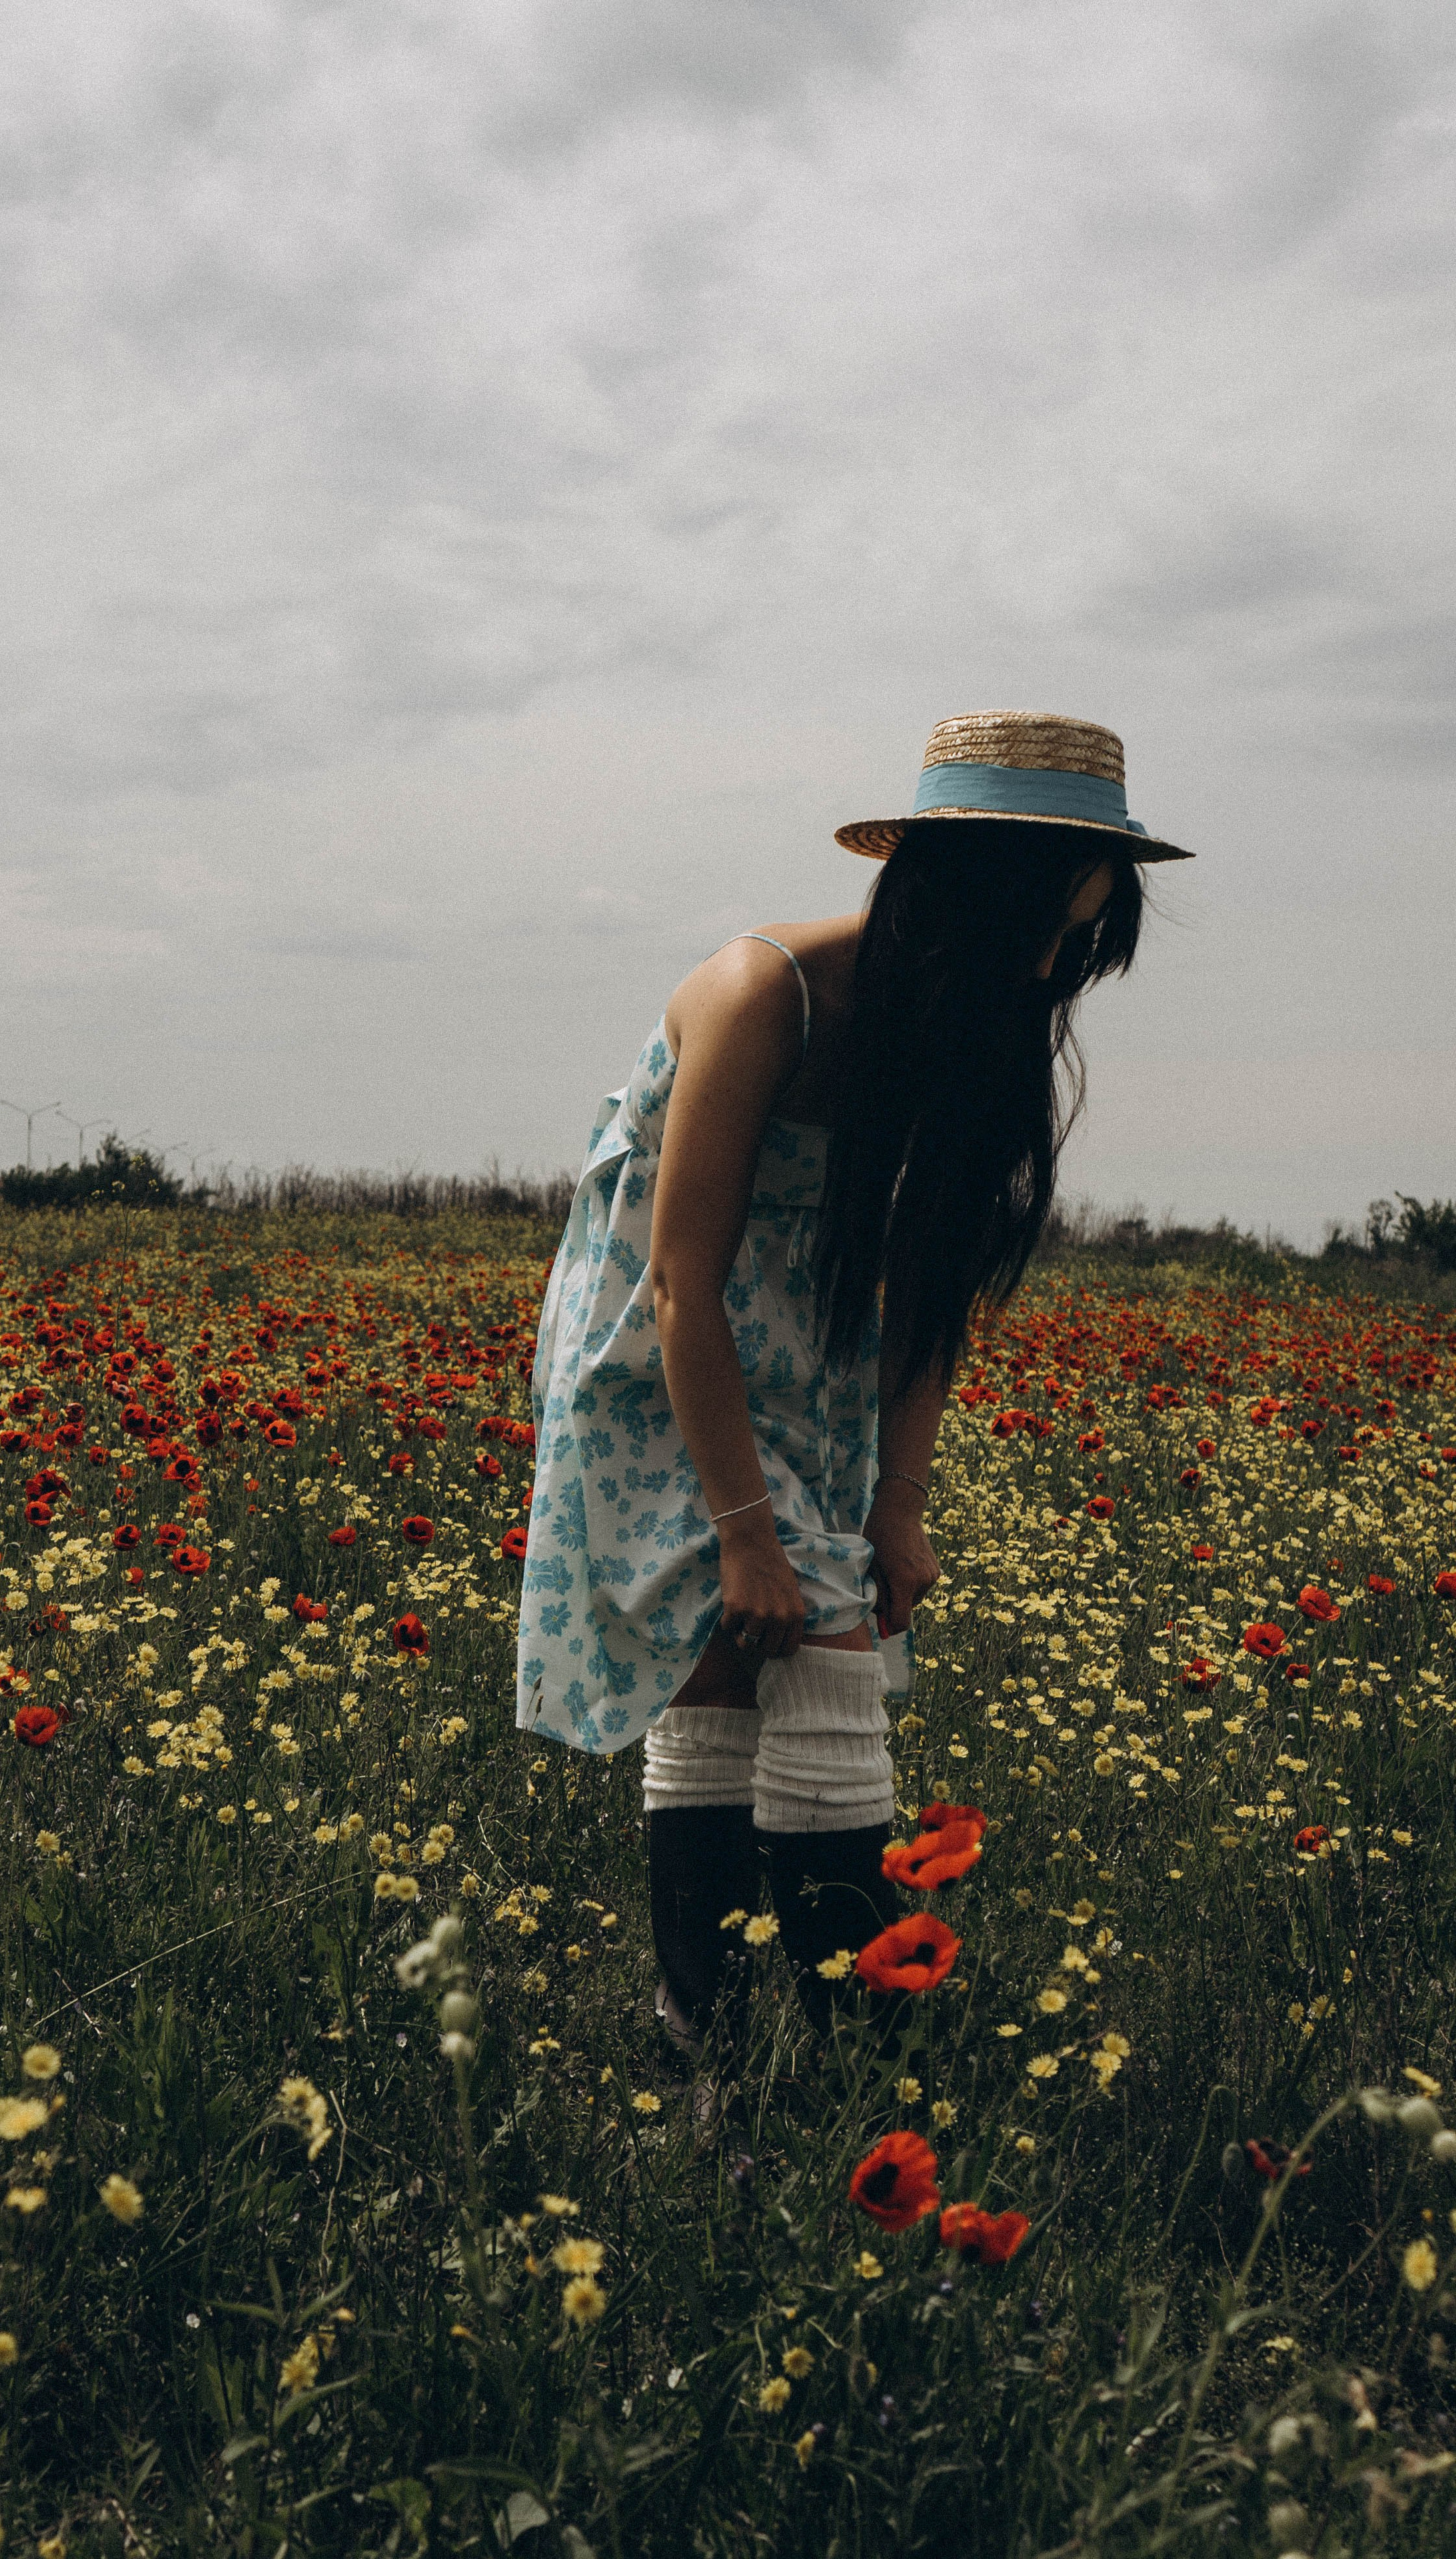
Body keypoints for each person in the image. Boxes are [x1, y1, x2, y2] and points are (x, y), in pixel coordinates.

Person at [516, 710, 1192, 2047]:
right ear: (957, 898)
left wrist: (897, 1507)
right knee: (777, 1655)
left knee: (768, 1651)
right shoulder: (758, 991)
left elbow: (926, 1293)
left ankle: (753, 2056)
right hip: (661, 1362)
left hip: (810, 1354)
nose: (1054, 967)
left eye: (1082, 939)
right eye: (1044, 930)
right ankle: (801, 2049)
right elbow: (678, 1283)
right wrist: (744, 1535)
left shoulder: (973, 1024)